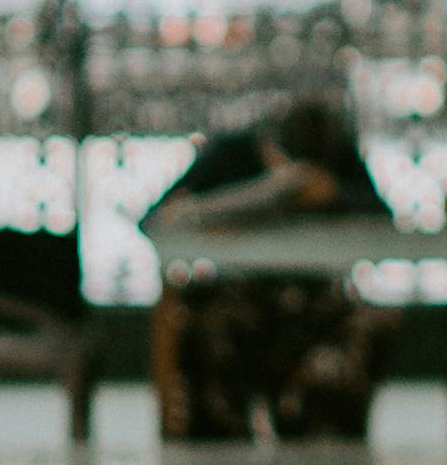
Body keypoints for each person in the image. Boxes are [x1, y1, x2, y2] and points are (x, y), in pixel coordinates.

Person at [141, 91, 393, 440]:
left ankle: (322, 439)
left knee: (369, 326)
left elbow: (384, 221)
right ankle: (217, 440)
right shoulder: (230, 154)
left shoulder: (337, 154)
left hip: (313, 294)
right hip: (239, 291)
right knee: (207, 325)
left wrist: (335, 193)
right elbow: (156, 218)